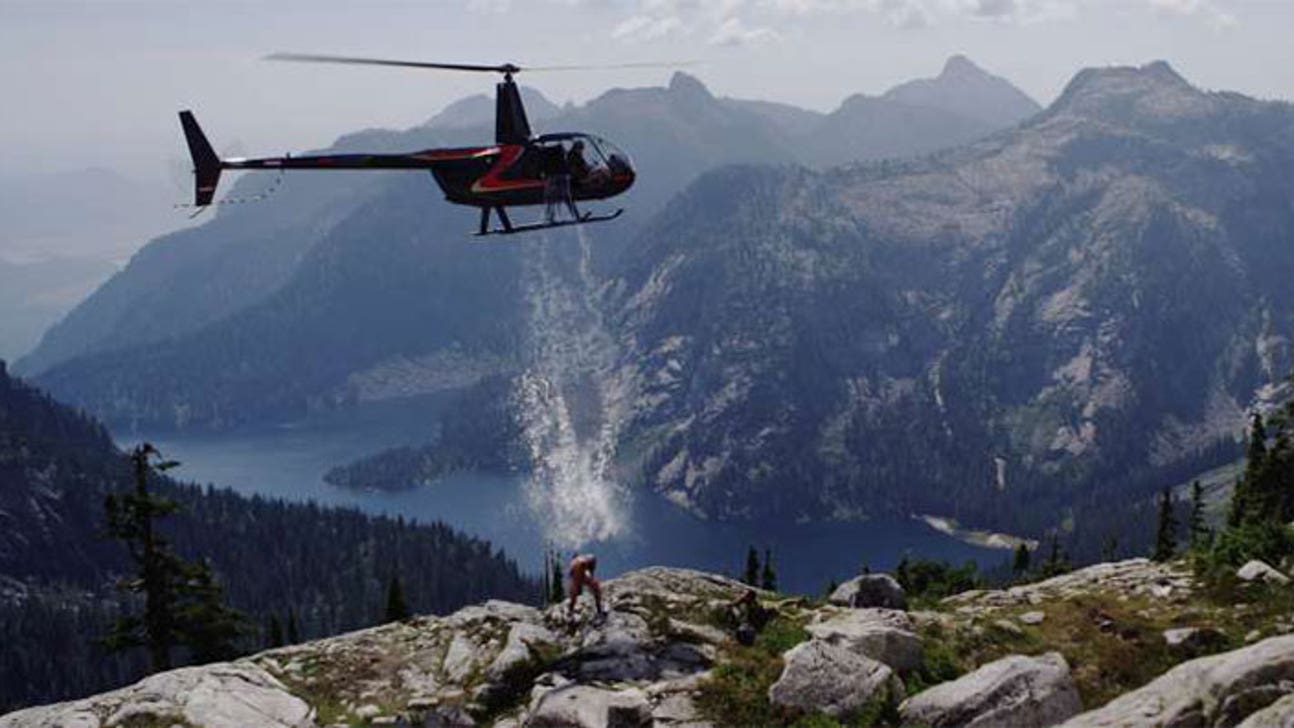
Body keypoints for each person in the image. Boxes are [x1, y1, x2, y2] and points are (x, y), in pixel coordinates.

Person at [541, 143, 577, 223]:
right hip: (559, 175)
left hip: (554, 175)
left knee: (551, 197)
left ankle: (550, 216)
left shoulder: (547, 154)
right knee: (564, 196)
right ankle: (572, 214)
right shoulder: (558, 154)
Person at [567, 553, 605, 619]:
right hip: (581, 575)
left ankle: (570, 611)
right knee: (596, 589)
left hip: (577, 577)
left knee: (574, 594)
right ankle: (599, 611)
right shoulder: (582, 560)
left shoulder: (573, 562)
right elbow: (587, 567)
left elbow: (570, 573)